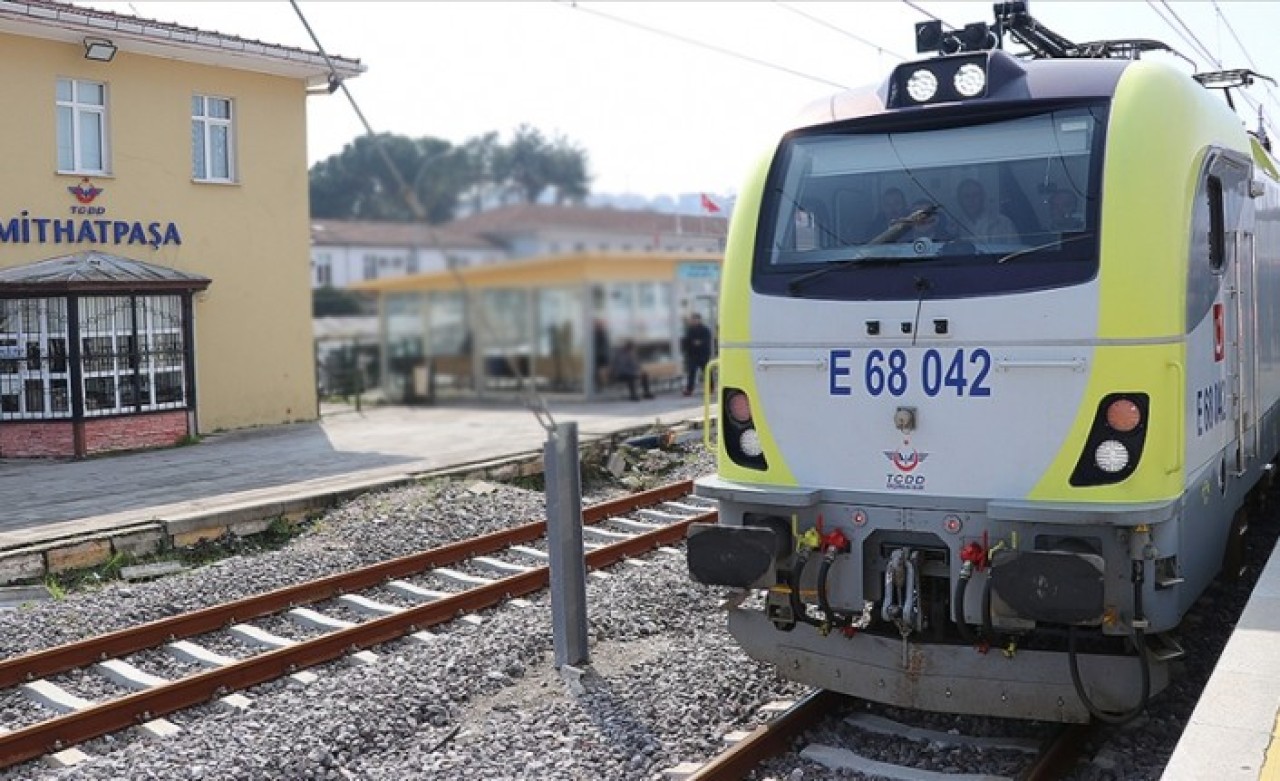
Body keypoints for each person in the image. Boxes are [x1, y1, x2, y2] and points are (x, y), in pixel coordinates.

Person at [953, 178, 1018, 243]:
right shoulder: (955, 226)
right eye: (966, 196)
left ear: (982, 197)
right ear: (960, 200)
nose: (971, 200)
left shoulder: (1004, 223)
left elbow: (1015, 248)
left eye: (975, 195)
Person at [681, 312, 714, 397]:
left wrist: (699, 343)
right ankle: (689, 389)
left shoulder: (705, 330)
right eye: (692, 319)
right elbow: (686, 341)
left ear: (699, 320)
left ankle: (710, 388)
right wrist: (687, 349)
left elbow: (706, 341)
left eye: (695, 319)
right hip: (692, 355)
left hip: (703, 355)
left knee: (706, 372)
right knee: (691, 372)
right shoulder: (689, 330)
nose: (693, 321)